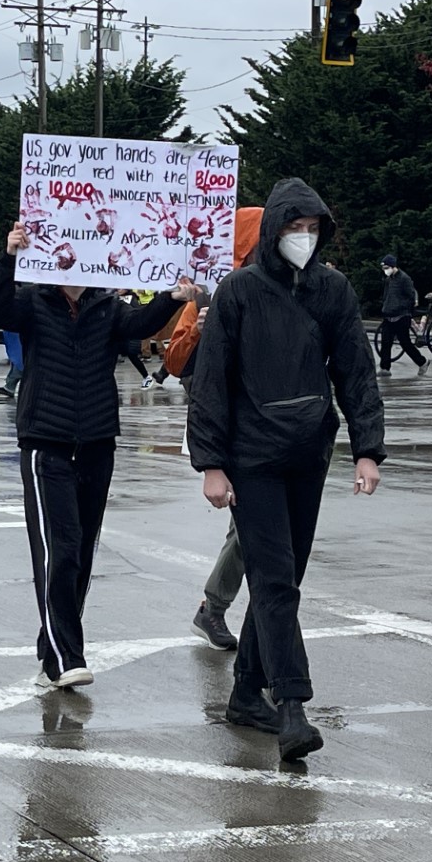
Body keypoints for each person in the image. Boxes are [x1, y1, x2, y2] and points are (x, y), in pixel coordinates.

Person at [189, 181, 383, 760]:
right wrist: (212, 464)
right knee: (273, 581)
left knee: (284, 582)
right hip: (252, 458)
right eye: (294, 227)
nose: (303, 238)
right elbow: (211, 381)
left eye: (313, 228)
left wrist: (367, 448)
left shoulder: (332, 290)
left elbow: (356, 373)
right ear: (272, 230)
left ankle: (248, 691)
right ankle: (292, 704)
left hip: (308, 454)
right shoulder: (239, 291)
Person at [0, 223, 197, 690]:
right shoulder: (35, 301)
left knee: (81, 552)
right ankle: (67, 656)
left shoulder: (108, 306)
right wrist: (8, 257)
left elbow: (141, 323)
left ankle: (53, 650)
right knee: (58, 550)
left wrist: (173, 296)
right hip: (46, 440)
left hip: (98, 441)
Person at [176, 205, 264, 652]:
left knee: (252, 525)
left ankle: (219, 608)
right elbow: (176, 361)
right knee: (251, 522)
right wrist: (201, 332)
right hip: (232, 427)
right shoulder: (206, 290)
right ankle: (216, 606)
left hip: (272, 426)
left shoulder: (285, 285)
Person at [376, 254, 427, 373]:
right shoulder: (388, 280)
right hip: (388, 315)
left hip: (402, 316)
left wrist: (403, 308)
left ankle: (422, 362)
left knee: (405, 343)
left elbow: (411, 296)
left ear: (393, 266)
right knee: (385, 342)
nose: (385, 271)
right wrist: (385, 307)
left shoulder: (404, 278)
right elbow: (386, 295)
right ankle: (385, 367)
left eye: (387, 267)